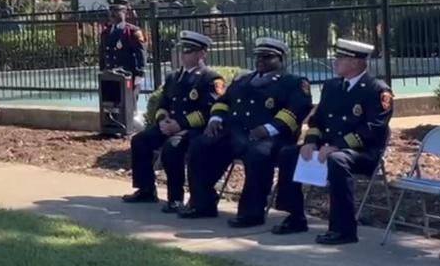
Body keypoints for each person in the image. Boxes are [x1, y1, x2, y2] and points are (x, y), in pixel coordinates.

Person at [179, 37, 313, 225]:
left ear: (282, 60)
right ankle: (203, 203)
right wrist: (216, 119)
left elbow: (296, 111)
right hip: (235, 134)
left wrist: (268, 129)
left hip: (271, 138)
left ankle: (251, 213)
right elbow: (223, 102)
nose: (261, 61)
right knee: (200, 146)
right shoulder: (243, 80)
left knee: (258, 155)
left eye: (267, 57)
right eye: (258, 56)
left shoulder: (293, 83)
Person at [271, 39, 392, 244]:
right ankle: (295, 217)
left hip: (363, 152)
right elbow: (317, 120)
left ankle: (343, 230)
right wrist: (311, 141)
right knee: (289, 154)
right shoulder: (332, 86)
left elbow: (373, 129)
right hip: (329, 147)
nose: (335, 62)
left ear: (355, 62)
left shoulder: (376, 90)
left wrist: (338, 145)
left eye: (340, 58)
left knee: (337, 160)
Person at [124, 31, 226, 213]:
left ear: (202, 54)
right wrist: (163, 120)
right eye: (183, 50)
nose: (184, 55)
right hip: (170, 125)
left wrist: (180, 125)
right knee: (140, 140)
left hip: (194, 130)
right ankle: (146, 189)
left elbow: (209, 110)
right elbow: (163, 103)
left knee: (173, 148)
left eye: (189, 51)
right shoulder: (173, 77)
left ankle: (175, 198)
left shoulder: (210, 79)